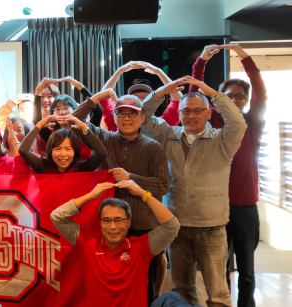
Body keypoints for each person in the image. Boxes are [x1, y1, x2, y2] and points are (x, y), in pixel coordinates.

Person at [141, 76, 247, 307]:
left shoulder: (222, 140)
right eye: (186, 111)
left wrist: (213, 93)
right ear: (179, 113)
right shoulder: (168, 135)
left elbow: (238, 123)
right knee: (182, 292)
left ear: (209, 113)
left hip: (211, 227)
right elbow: (143, 116)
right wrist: (160, 92)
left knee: (218, 295)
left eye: (198, 110)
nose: (191, 116)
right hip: (176, 227)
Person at [69, 88, 172, 305]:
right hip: (109, 227)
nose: (126, 118)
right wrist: (95, 98)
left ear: (142, 117)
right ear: (114, 116)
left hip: (143, 228)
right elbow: (74, 121)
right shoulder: (104, 138)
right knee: (108, 282)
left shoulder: (154, 148)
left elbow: (163, 185)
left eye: (132, 113)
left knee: (144, 284)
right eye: (121, 113)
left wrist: (131, 179)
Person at [189, 44, 267, 307]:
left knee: (246, 271)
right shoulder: (211, 124)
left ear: (245, 101)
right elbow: (193, 93)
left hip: (245, 208)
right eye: (228, 95)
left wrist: (243, 55)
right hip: (214, 206)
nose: (234, 99)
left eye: (239, 96)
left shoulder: (252, 122)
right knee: (217, 269)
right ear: (217, 98)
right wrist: (201, 61)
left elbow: (259, 89)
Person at [50, 180, 180, 307]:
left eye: (118, 220)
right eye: (106, 220)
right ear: (100, 222)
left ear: (129, 222)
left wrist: (142, 194)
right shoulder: (87, 242)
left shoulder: (142, 246)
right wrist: (91, 195)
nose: (112, 227)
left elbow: (172, 226)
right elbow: (57, 217)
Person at [73, 61, 182, 132]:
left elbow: (180, 103)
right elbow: (104, 99)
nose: (141, 101)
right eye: (136, 97)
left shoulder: (160, 125)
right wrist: (119, 71)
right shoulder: (117, 122)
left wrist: (159, 72)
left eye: (145, 97)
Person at [18, 114, 107, 174]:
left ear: (74, 151)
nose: (63, 154)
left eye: (68, 149)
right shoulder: (43, 167)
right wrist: (38, 126)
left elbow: (101, 154)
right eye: (58, 149)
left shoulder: (80, 168)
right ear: (50, 151)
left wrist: (86, 129)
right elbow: (23, 150)